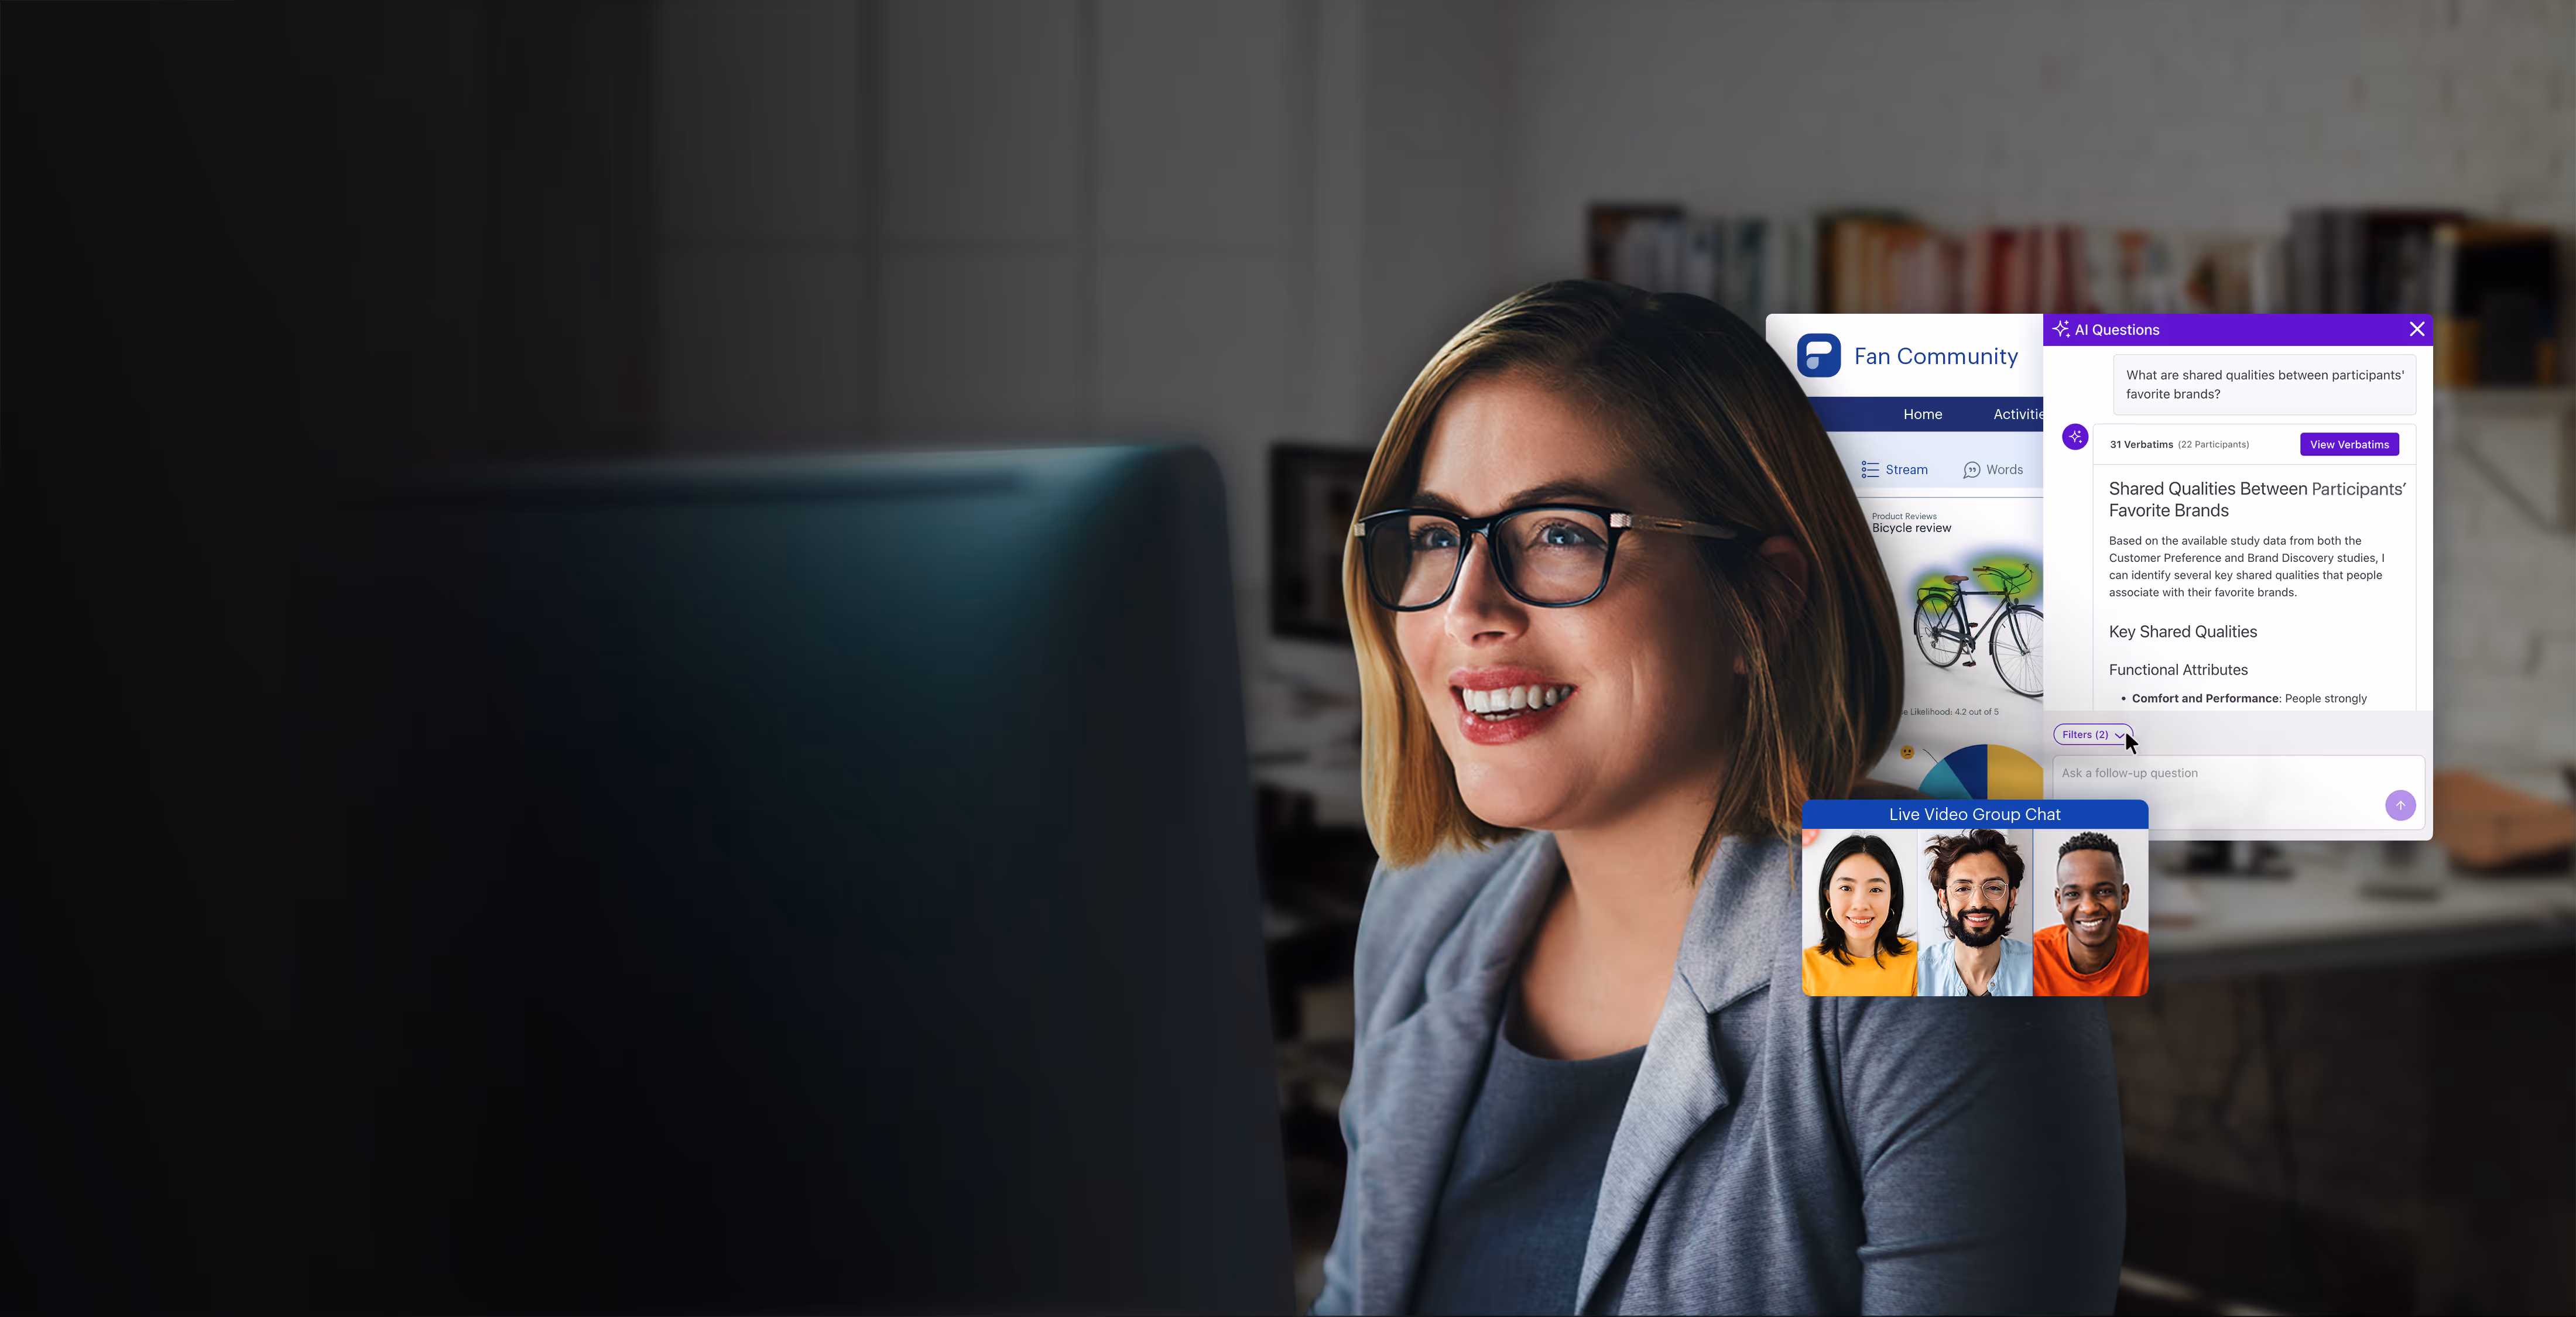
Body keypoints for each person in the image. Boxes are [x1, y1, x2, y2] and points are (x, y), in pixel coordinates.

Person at [1309, 281, 2121, 1315]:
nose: (1468, 607)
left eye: (1559, 534)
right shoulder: (1428, 897)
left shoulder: (1963, 924)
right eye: (1435, 536)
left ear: (1761, 603)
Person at [1914, 830, 2036, 997]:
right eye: (1963, 889)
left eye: (1994, 888)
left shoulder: (2041, 969)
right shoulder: (1914, 974)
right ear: (1944, 899)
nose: (1978, 903)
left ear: (2012, 897)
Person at [2034, 832, 2150, 996]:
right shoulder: (2029, 959)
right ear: (2059, 901)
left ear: (2124, 896)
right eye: (2073, 894)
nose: (2088, 908)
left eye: (2103, 891)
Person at [1801, 833, 1917, 996]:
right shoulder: (1803, 967)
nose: (1860, 905)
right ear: (1828, 896)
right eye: (1846, 888)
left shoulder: (1921, 963)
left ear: (1892, 895)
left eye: (1875, 890)